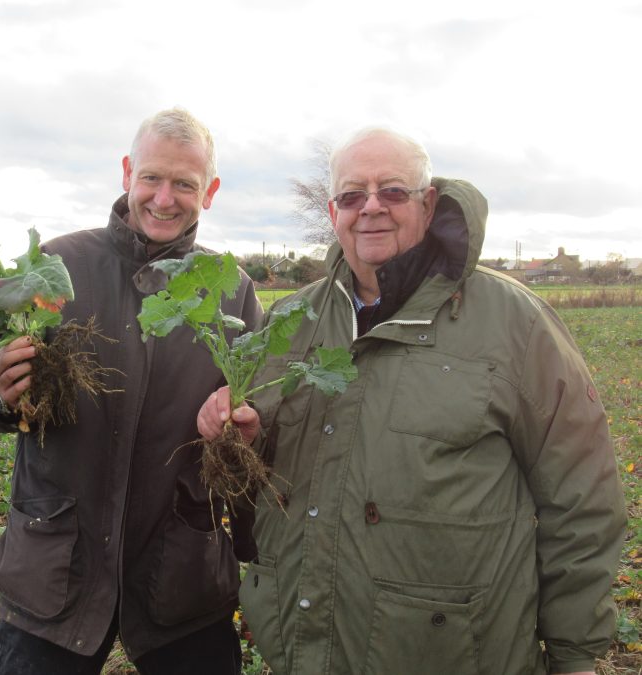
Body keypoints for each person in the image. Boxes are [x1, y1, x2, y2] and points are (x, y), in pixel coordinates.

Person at [197, 127, 626, 675]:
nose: (370, 207)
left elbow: (582, 497)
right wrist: (242, 440)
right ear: (334, 214)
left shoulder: (514, 323)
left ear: (428, 204)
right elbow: (260, 488)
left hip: (454, 654)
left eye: (392, 191)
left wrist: (576, 655)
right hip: (302, 648)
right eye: (352, 196)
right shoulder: (288, 323)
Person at [0, 107, 262, 674]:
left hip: (181, 573)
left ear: (211, 191)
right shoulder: (56, 266)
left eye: (185, 184)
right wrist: (2, 398)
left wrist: (246, 427)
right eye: (152, 177)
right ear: (127, 172)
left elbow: (256, 412)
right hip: (55, 570)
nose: (164, 197)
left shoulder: (231, 289)